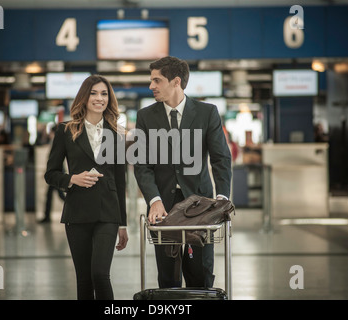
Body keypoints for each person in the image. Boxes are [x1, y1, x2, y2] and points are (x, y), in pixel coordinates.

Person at [134, 56, 232, 289]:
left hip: (200, 205)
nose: (151, 86)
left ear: (175, 81)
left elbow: (221, 158)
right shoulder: (146, 117)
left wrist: (222, 198)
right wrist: (154, 200)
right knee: (168, 278)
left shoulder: (207, 113)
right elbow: (142, 165)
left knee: (200, 275)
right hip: (163, 207)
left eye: (157, 80)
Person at [44, 75, 128, 300]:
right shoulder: (66, 131)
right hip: (77, 212)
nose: (99, 98)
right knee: (84, 278)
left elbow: (121, 181)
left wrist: (123, 223)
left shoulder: (117, 133)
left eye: (104, 94)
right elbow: (50, 174)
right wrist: (72, 179)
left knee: (100, 274)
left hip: (108, 213)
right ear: (84, 96)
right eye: (94, 93)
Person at [39, 125, 66, 223]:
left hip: (57, 174)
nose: (49, 135)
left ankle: (77, 209)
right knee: (51, 195)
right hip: (55, 173)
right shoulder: (54, 142)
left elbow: (57, 161)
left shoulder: (57, 142)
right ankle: (46, 216)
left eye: (51, 133)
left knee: (61, 196)